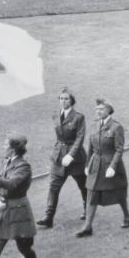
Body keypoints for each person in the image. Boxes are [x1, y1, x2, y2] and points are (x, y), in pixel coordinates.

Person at [76, 98, 129, 237]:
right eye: (97, 109)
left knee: (119, 193)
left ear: (109, 110)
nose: (98, 111)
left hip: (110, 165)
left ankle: (126, 215)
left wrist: (113, 166)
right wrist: (87, 164)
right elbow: (90, 148)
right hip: (96, 164)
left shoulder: (116, 127)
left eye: (101, 109)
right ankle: (88, 226)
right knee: (91, 193)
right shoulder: (94, 126)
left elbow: (119, 149)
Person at [37, 89, 87, 229]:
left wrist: (71, 155)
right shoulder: (55, 115)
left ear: (71, 100)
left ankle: (87, 210)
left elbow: (80, 138)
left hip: (75, 159)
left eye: (66, 99)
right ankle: (48, 217)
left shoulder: (79, 117)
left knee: (83, 185)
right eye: (61, 98)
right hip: (58, 157)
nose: (63, 101)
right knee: (53, 186)